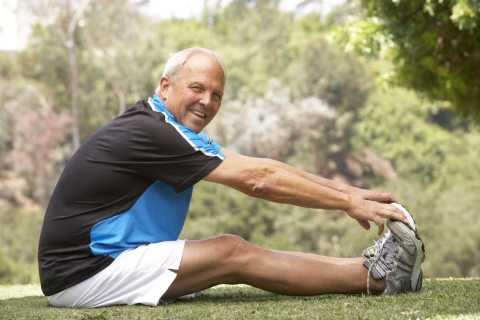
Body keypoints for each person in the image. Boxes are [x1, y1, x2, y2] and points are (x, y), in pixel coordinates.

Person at [38, 47, 424, 308]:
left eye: (217, 94)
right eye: (197, 88)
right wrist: (348, 203)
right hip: (84, 271)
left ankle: (371, 269)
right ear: (165, 86)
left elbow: (263, 167)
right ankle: (376, 279)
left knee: (230, 251)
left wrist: (349, 191)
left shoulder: (167, 129)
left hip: (101, 263)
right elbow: (260, 179)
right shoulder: (151, 132)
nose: (207, 101)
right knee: (231, 252)